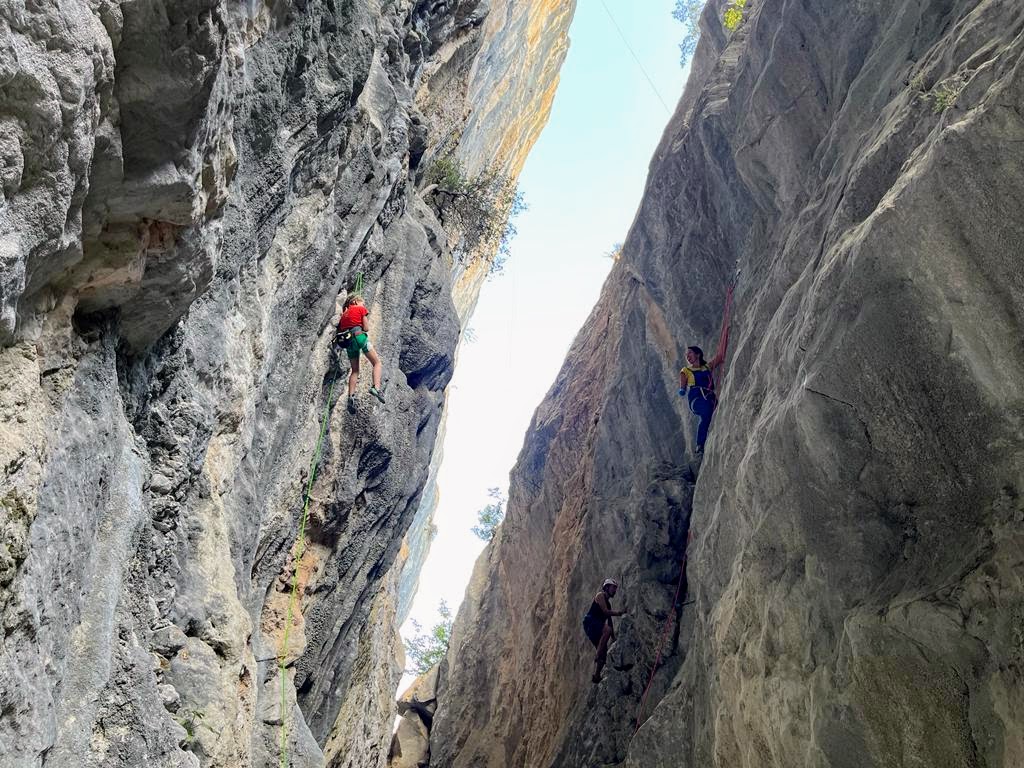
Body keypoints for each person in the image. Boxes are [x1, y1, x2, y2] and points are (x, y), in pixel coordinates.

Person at [679, 287, 733, 454]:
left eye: (690, 354)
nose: (688, 357)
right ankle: (700, 445)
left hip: (709, 397)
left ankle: (708, 441)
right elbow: (683, 378)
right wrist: (682, 389)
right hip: (696, 399)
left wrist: (725, 334)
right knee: (706, 412)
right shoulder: (686, 370)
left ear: (697, 354)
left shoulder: (706, 367)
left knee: (712, 410)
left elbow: (720, 356)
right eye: (687, 355)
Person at [333, 293, 385, 410]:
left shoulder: (344, 315)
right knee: (377, 363)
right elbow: (366, 328)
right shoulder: (360, 309)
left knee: (355, 371)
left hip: (348, 343)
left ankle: (351, 396)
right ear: (356, 302)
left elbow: (340, 329)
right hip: (359, 337)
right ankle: (376, 388)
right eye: (363, 303)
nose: (364, 305)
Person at [582, 578, 625, 684]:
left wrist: (613, 637)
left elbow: (610, 622)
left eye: (615, 588)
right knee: (607, 630)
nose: (615, 590)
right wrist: (620, 613)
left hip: (596, 628)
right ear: (606, 587)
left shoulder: (608, 604)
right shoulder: (600, 595)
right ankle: (598, 653)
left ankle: (597, 676)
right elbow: (606, 612)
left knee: (604, 654)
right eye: (613, 588)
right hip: (590, 622)